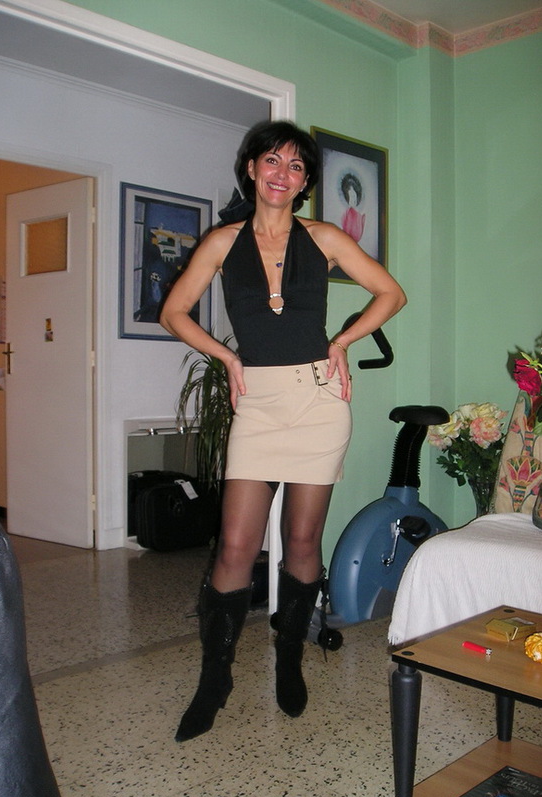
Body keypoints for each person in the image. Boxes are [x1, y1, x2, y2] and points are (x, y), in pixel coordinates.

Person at [160, 120, 406, 743]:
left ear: (304, 183)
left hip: (319, 401)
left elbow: (390, 293)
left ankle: (289, 658)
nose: (282, 173)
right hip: (259, 404)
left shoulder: (323, 238)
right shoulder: (222, 242)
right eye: (272, 160)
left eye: (296, 166)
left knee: (301, 540)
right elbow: (173, 312)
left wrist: (343, 341)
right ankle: (215, 679)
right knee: (235, 546)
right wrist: (226, 356)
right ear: (251, 169)